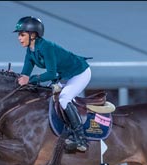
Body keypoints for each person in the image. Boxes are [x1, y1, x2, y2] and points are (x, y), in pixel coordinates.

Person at [14, 16, 92, 152]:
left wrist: (30, 80)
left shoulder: (46, 47)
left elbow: (50, 74)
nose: (19, 38)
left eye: (22, 35)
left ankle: (81, 138)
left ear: (33, 35)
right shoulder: (30, 51)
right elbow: (25, 75)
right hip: (64, 75)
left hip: (80, 72)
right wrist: (16, 78)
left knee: (64, 99)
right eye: (19, 35)